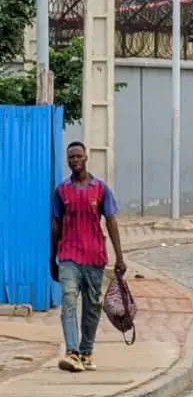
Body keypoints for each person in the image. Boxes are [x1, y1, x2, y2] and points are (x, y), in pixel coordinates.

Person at [50, 142, 126, 373]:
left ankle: (86, 351)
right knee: (69, 300)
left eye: (78, 156)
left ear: (85, 158)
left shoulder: (100, 189)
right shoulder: (61, 191)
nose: (74, 160)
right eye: (71, 157)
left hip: (94, 256)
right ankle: (72, 352)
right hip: (69, 255)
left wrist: (119, 257)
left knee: (92, 306)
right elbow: (56, 223)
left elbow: (111, 222)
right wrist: (52, 257)